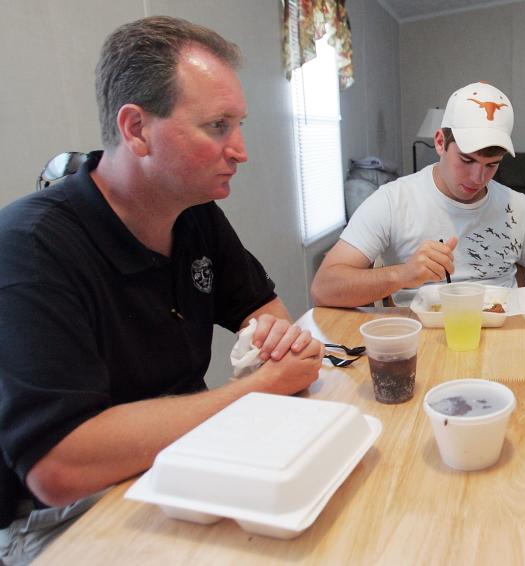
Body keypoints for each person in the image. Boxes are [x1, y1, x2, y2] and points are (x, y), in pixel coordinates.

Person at [0, 16, 324, 563]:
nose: (240, 150)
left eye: (238, 124)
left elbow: (270, 317)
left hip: (182, 461)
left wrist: (272, 339)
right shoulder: (30, 247)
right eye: (218, 126)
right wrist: (257, 388)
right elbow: (60, 466)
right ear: (136, 129)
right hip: (61, 518)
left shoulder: (197, 217)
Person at [311, 82, 525, 308]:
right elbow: (323, 288)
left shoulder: (518, 207)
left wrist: (523, 317)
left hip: (500, 336)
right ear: (440, 142)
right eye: (466, 160)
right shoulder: (392, 201)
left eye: (491, 165)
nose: (477, 178)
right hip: (421, 337)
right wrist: (402, 274)